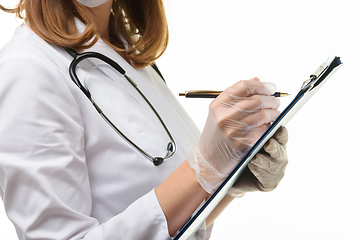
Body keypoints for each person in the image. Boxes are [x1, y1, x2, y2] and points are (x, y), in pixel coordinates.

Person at [0, 0, 289, 239]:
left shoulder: (122, 47)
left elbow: (169, 224)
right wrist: (205, 167)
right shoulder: (28, 70)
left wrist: (227, 181)